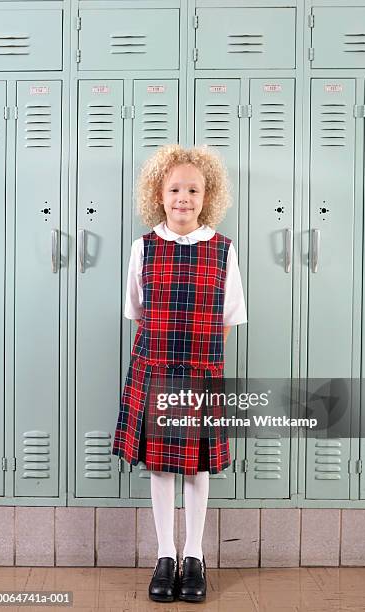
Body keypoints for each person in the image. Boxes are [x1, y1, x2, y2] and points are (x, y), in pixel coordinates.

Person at [112, 143, 247, 603]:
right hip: (155, 369)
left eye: (193, 189)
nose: (183, 197)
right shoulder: (143, 247)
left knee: (196, 468)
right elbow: (137, 313)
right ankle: (164, 554)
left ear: (207, 197)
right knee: (161, 468)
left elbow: (227, 321)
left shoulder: (223, 250)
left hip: (200, 373)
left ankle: (194, 556)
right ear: (159, 193)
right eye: (174, 189)